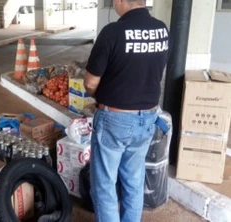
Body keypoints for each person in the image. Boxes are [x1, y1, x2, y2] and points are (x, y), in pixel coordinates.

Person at [83, 0, 170, 221]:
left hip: (115, 120)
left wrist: (100, 97)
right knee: (133, 181)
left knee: (104, 185)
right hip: (148, 119)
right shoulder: (161, 29)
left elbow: (91, 82)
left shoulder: (112, 32)